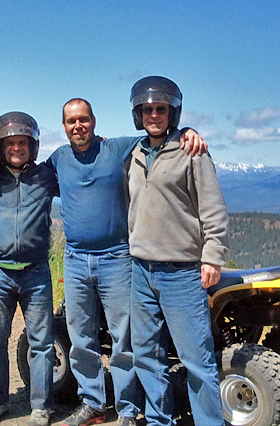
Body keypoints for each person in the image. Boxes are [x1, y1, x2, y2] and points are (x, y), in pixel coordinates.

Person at [47, 99, 207, 426]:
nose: (78, 126)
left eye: (84, 119)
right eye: (71, 121)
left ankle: (127, 411)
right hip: (75, 259)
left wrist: (187, 131)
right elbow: (27, 177)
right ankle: (92, 404)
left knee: (124, 339)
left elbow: (157, 136)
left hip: (116, 257)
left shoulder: (117, 148)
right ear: (64, 126)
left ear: (93, 121)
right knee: (81, 337)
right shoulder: (57, 159)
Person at [126, 76, 229, 426]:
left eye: (161, 109)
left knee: (196, 360)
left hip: (182, 272)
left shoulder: (192, 151)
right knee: (147, 356)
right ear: (138, 113)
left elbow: (213, 209)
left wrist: (213, 255)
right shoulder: (135, 152)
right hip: (140, 270)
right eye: (147, 109)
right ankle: (159, 420)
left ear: (173, 112)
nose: (154, 114)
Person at [0, 112, 58, 426]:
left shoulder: (46, 176)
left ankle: (41, 406)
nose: (16, 148)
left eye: (22, 143)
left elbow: (84, 178)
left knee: (41, 343)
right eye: (9, 143)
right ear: (0, 147)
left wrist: (103, 147)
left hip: (36, 272)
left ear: (33, 145)